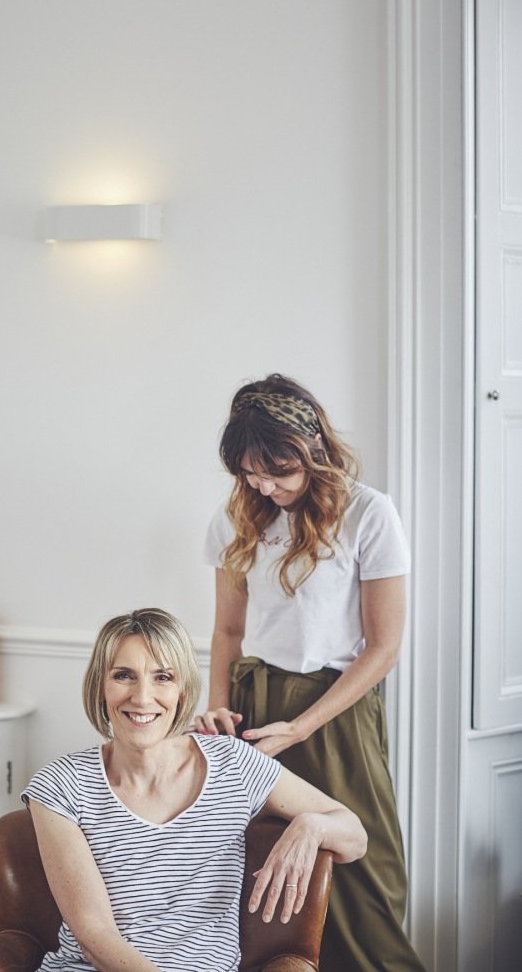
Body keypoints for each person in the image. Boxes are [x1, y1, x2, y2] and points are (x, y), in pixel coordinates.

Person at [195, 373, 425, 971]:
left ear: (313, 451)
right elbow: (226, 632)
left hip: (334, 708)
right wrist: (217, 705)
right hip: (251, 707)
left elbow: (384, 648)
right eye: (251, 474)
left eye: (279, 472)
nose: (265, 486)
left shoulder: (369, 514)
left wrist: (300, 728)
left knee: (360, 869)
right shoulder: (236, 522)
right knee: (260, 867)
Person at [23, 607, 366, 972]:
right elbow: (95, 935)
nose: (142, 697)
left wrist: (311, 826)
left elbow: (355, 836)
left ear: (182, 689)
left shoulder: (233, 764)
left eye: (162, 677)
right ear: (100, 685)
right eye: (124, 675)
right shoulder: (60, 785)